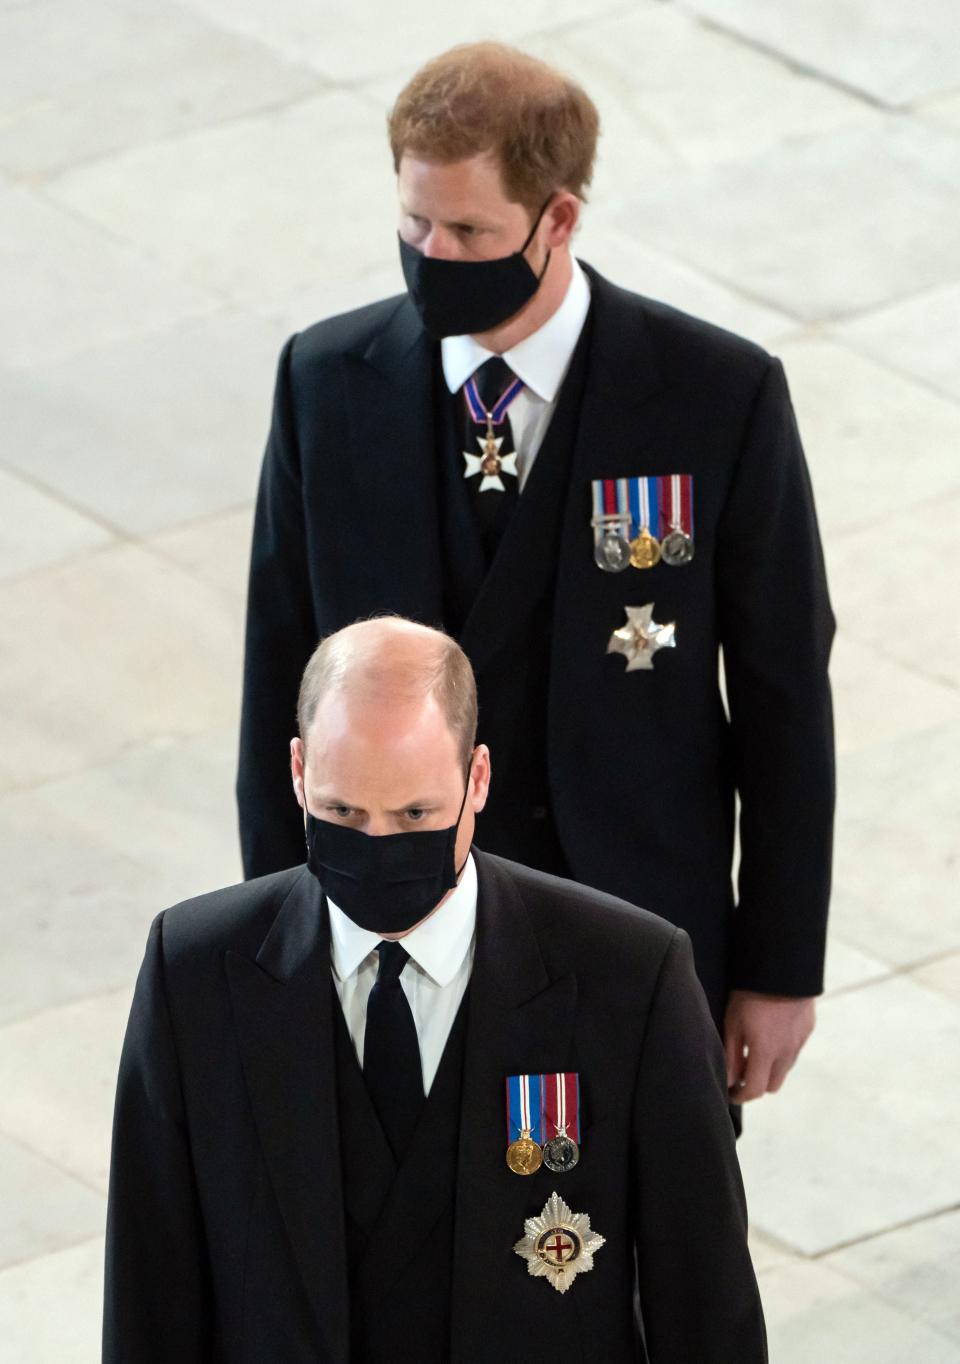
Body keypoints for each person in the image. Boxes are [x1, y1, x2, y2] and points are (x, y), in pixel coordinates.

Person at [237, 42, 835, 1109]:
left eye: (468, 231)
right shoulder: (327, 386)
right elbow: (278, 679)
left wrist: (779, 967)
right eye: (414, 224)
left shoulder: (716, 397)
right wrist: (277, 944)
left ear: (557, 220)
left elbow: (786, 693)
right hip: (392, 940)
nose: (432, 253)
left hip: (636, 936)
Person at [106, 618, 767, 1363]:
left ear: (477, 779)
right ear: (297, 772)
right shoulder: (195, 973)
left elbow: (707, 1307)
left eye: (415, 814)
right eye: (342, 813)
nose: (379, 846)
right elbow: (148, 1296)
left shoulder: (630, 978)